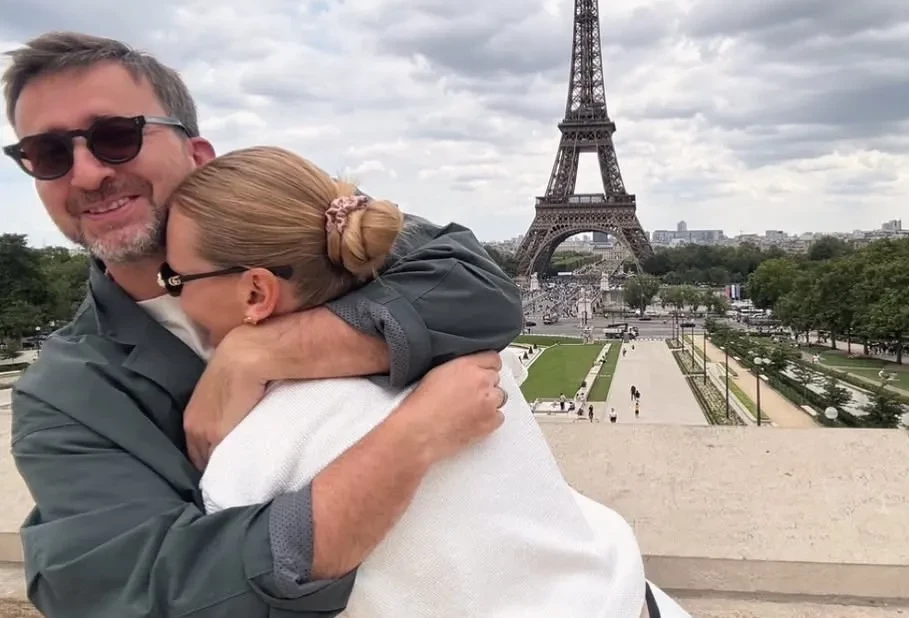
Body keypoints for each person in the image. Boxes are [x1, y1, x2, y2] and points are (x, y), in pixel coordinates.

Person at [2, 32, 522, 618]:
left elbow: (484, 291)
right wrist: (411, 440)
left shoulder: (296, 218)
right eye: (48, 153)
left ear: (198, 154)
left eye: (116, 137)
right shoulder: (63, 393)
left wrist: (262, 352)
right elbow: (141, 592)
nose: (86, 173)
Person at [164, 146, 689, 617]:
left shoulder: (247, 458)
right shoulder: (464, 355)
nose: (171, 297)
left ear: (256, 293)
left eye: (174, 279)